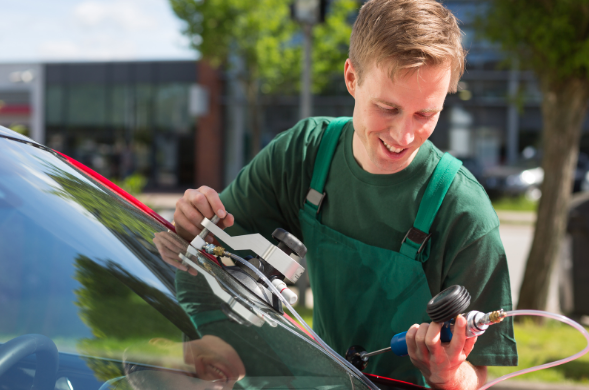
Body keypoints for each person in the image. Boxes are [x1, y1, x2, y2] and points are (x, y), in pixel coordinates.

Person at [173, 0, 518, 388]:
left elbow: (479, 377)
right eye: (387, 108)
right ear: (352, 79)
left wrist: (449, 374)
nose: (404, 136)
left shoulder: (465, 215)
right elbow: (208, 263)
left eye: (426, 115)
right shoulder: (303, 155)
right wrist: (191, 223)